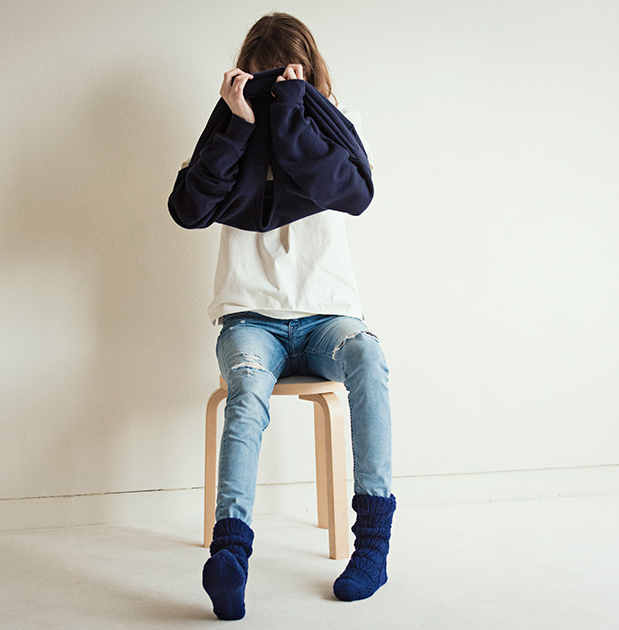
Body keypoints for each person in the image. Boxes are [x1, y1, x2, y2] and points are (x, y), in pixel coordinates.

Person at [168, 12, 395, 621]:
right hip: (250, 320)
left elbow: (349, 193)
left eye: (288, 76)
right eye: (265, 78)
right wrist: (239, 126)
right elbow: (189, 207)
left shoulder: (341, 129)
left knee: (368, 356)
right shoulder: (229, 133)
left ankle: (372, 545)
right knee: (246, 390)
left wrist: (295, 115)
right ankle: (230, 555)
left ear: (310, 73)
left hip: (327, 319)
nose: (275, 90)